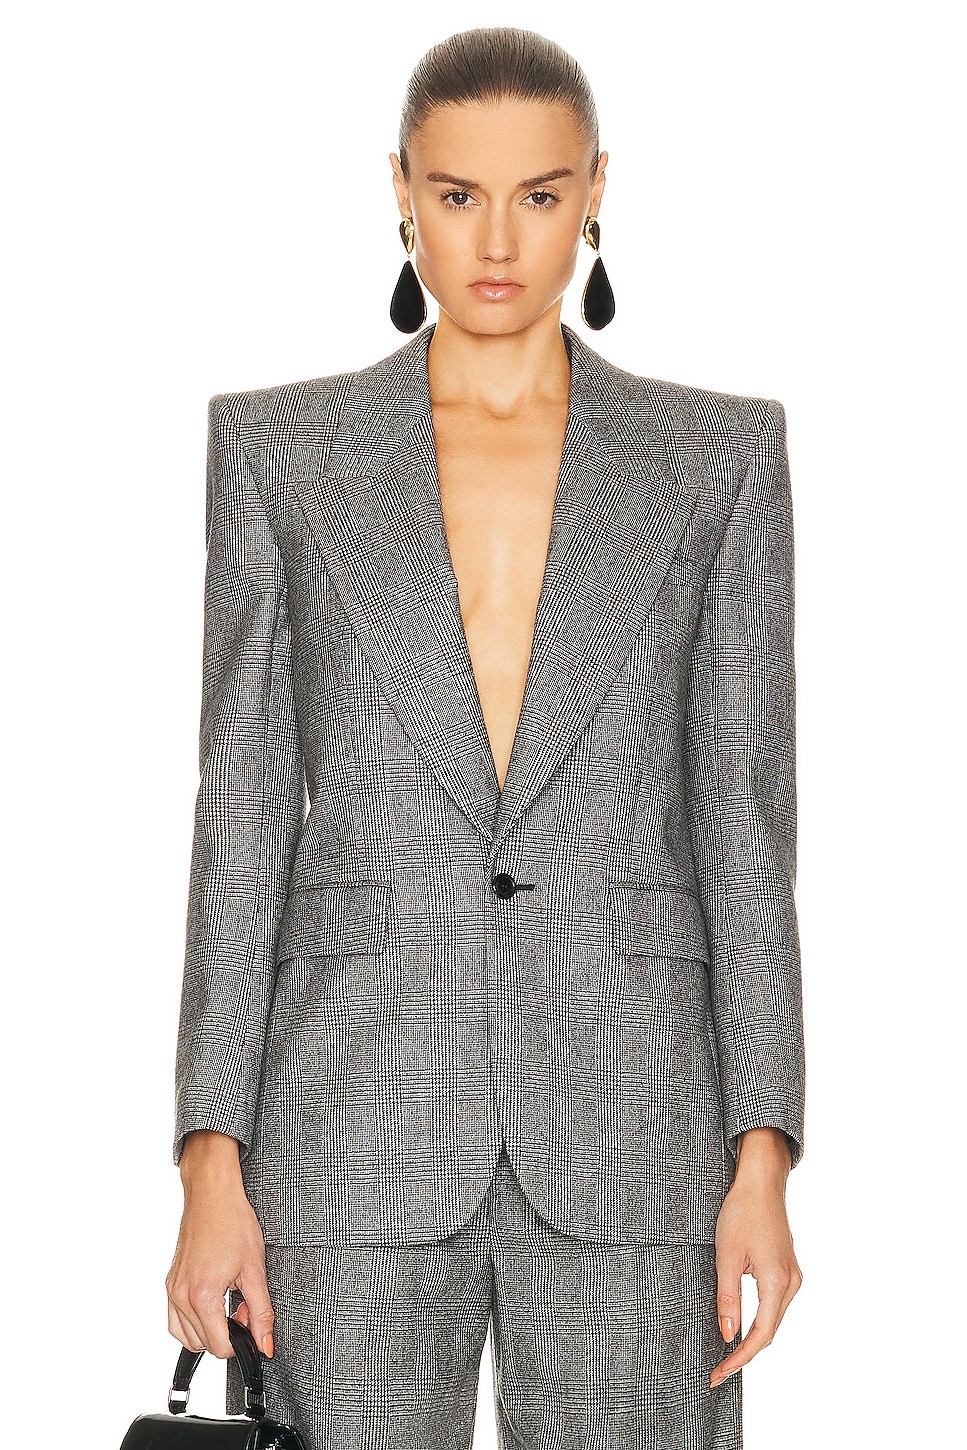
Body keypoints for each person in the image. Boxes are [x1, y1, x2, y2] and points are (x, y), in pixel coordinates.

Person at [166, 25, 805, 1450]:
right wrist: (212, 1161)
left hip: (636, 1128)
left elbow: (745, 824)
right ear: (401, 192)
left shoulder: (717, 459)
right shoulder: (281, 452)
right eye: (458, 195)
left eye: (539, 194)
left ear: (596, 192)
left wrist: (762, 1153)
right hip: (349, 1129)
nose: (499, 241)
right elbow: (244, 818)